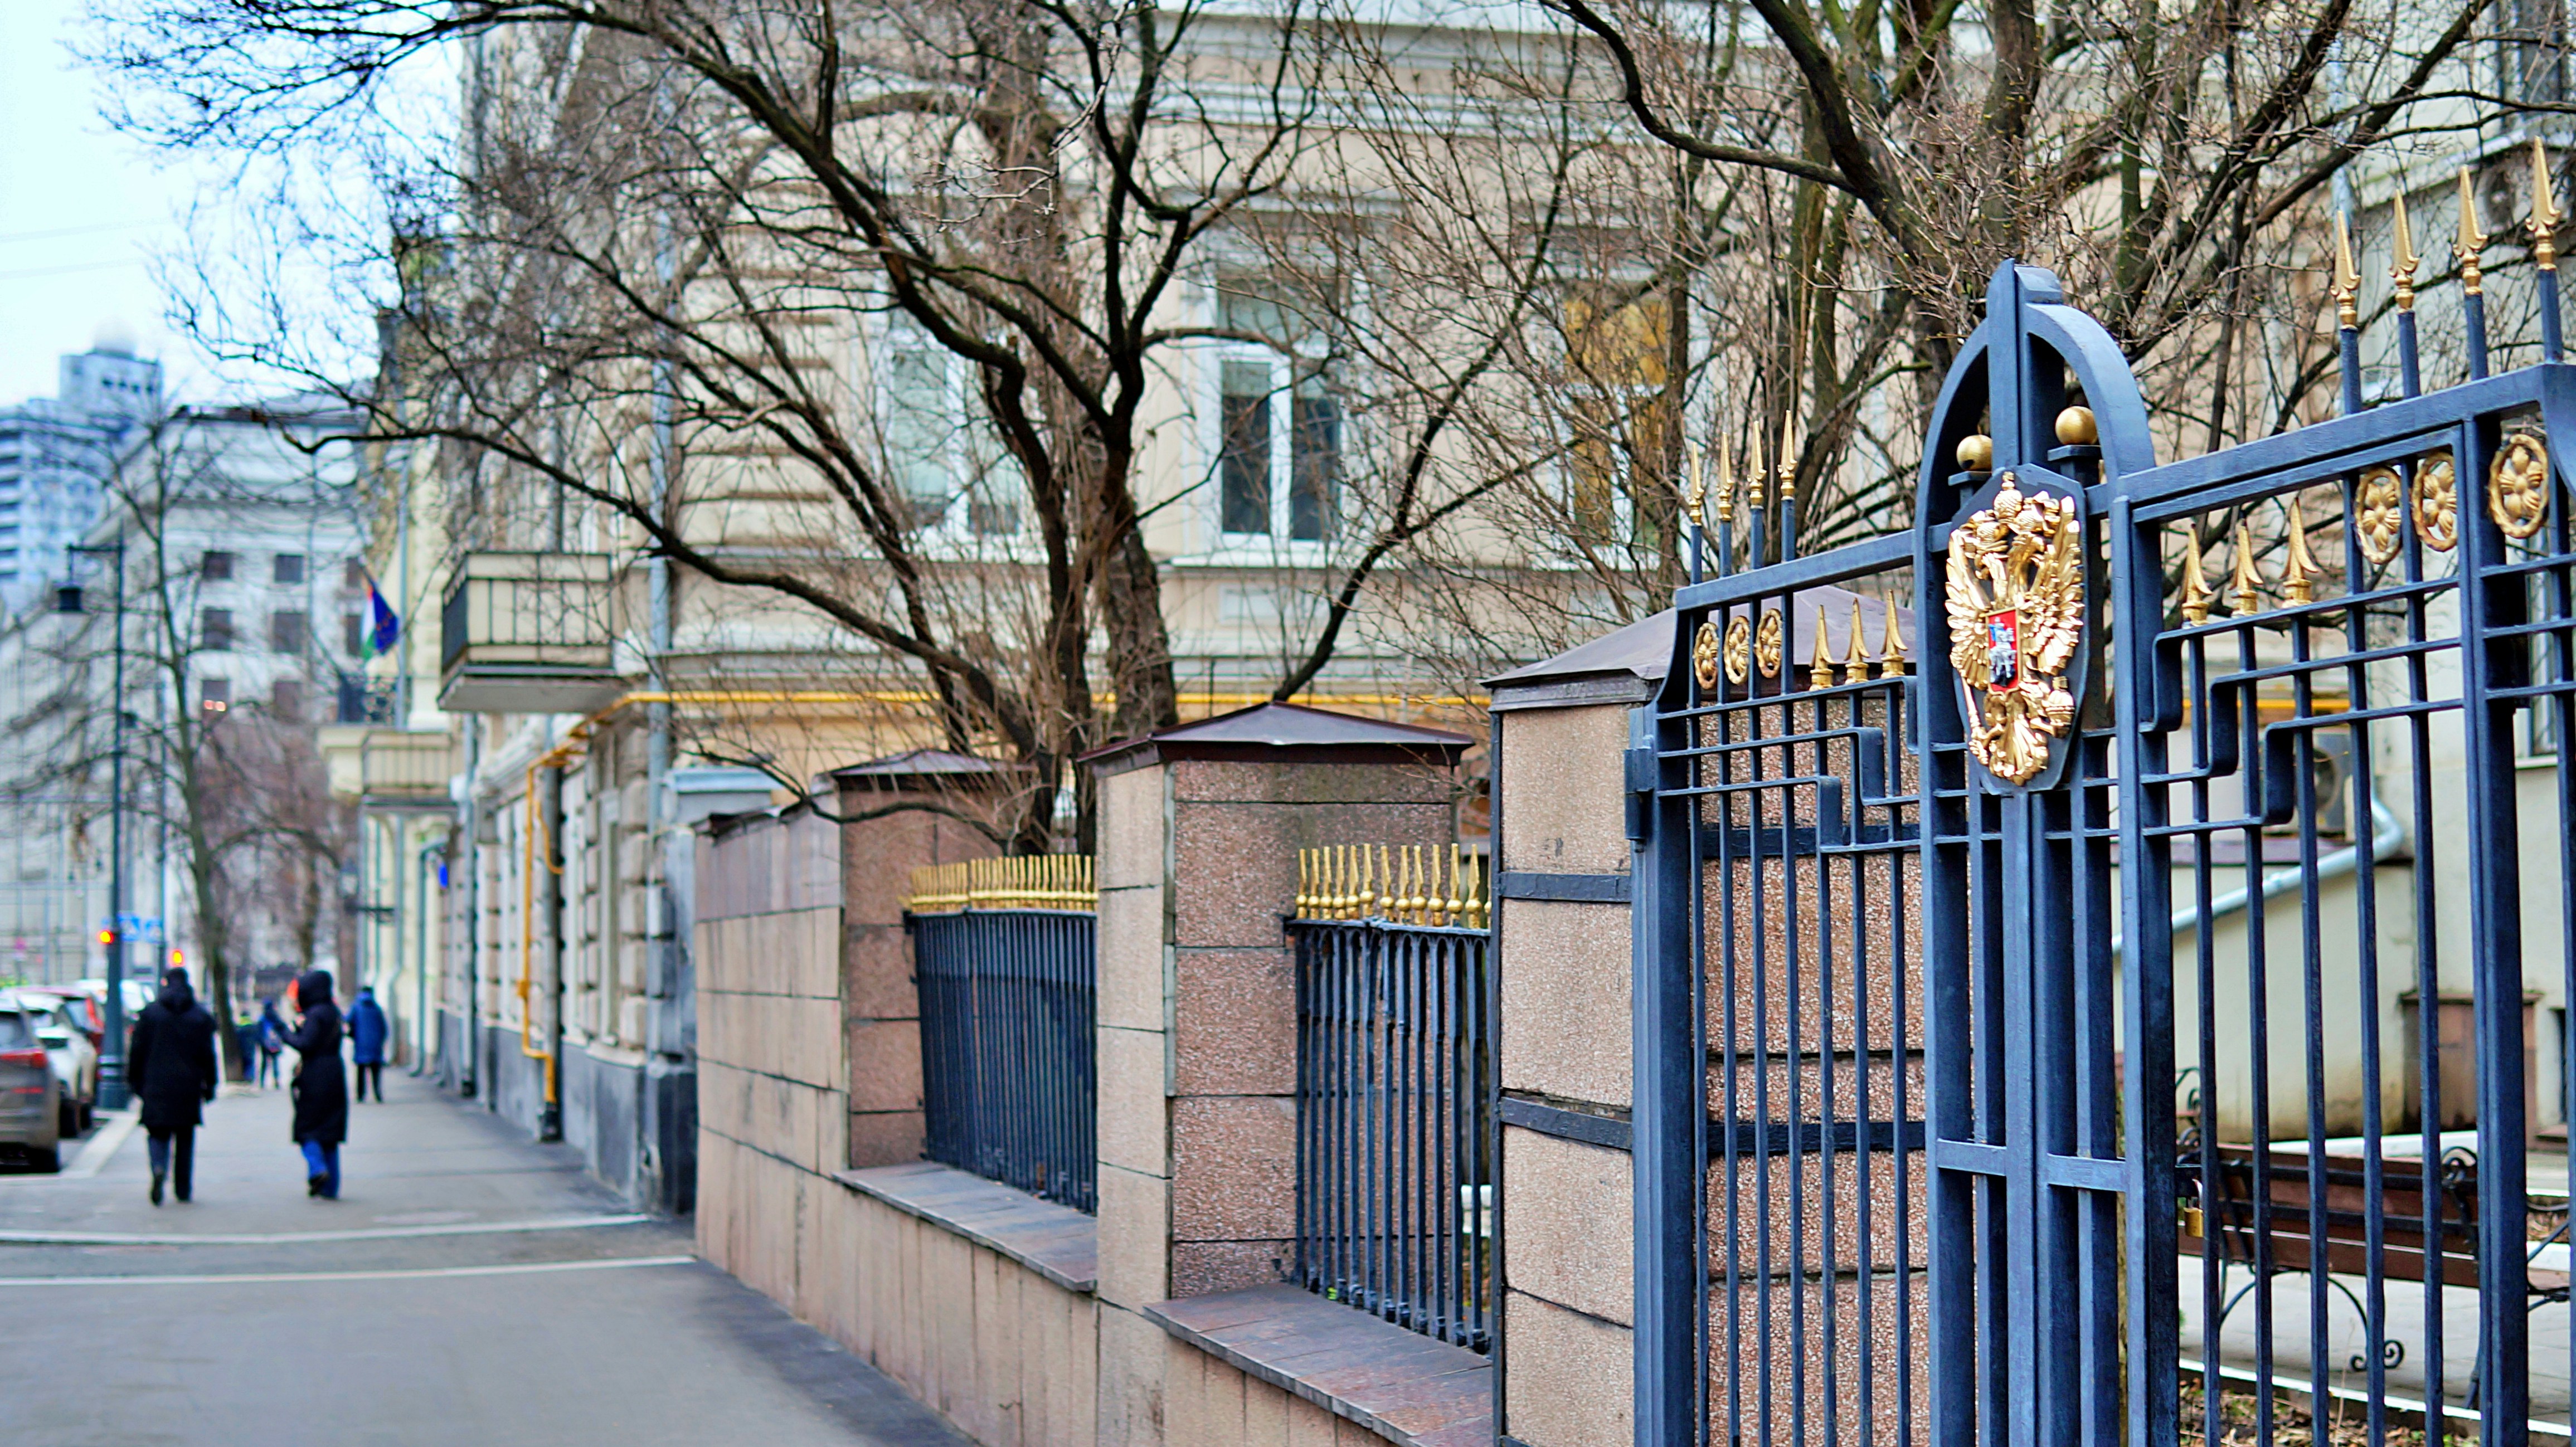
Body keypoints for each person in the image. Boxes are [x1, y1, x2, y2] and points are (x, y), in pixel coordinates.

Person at [126, 966, 218, 1206]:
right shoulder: (199, 1016)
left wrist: (135, 1082)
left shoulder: (150, 1015)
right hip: (189, 1086)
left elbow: (137, 1052)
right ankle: (183, 1188)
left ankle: (158, 1167)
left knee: (157, 1132)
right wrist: (211, 1085)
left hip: (156, 1084)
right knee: (185, 1137)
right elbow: (208, 1055)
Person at [277, 969, 348, 1199]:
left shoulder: (315, 1015)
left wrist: (284, 1033)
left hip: (315, 1075)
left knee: (308, 1130)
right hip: (335, 1072)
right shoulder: (333, 1012)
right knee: (330, 1134)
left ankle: (317, 1169)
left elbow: (306, 1044)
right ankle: (331, 1188)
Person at [348, 986, 389, 1103]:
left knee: (361, 1072)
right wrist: (381, 1040)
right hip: (375, 1045)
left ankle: (361, 1095)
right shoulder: (377, 1008)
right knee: (375, 1071)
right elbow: (384, 1027)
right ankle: (378, 1094)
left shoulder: (356, 1007)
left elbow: (348, 1020)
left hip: (361, 1044)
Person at [255, 997, 285, 1089]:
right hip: (274, 1043)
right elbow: (282, 1028)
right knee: (275, 1062)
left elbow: (258, 1032)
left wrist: (260, 1042)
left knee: (264, 1063)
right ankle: (276, 1080)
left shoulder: (262, 1019)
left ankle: (262, 1082)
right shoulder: (276, 1017)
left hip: (265, 1044)